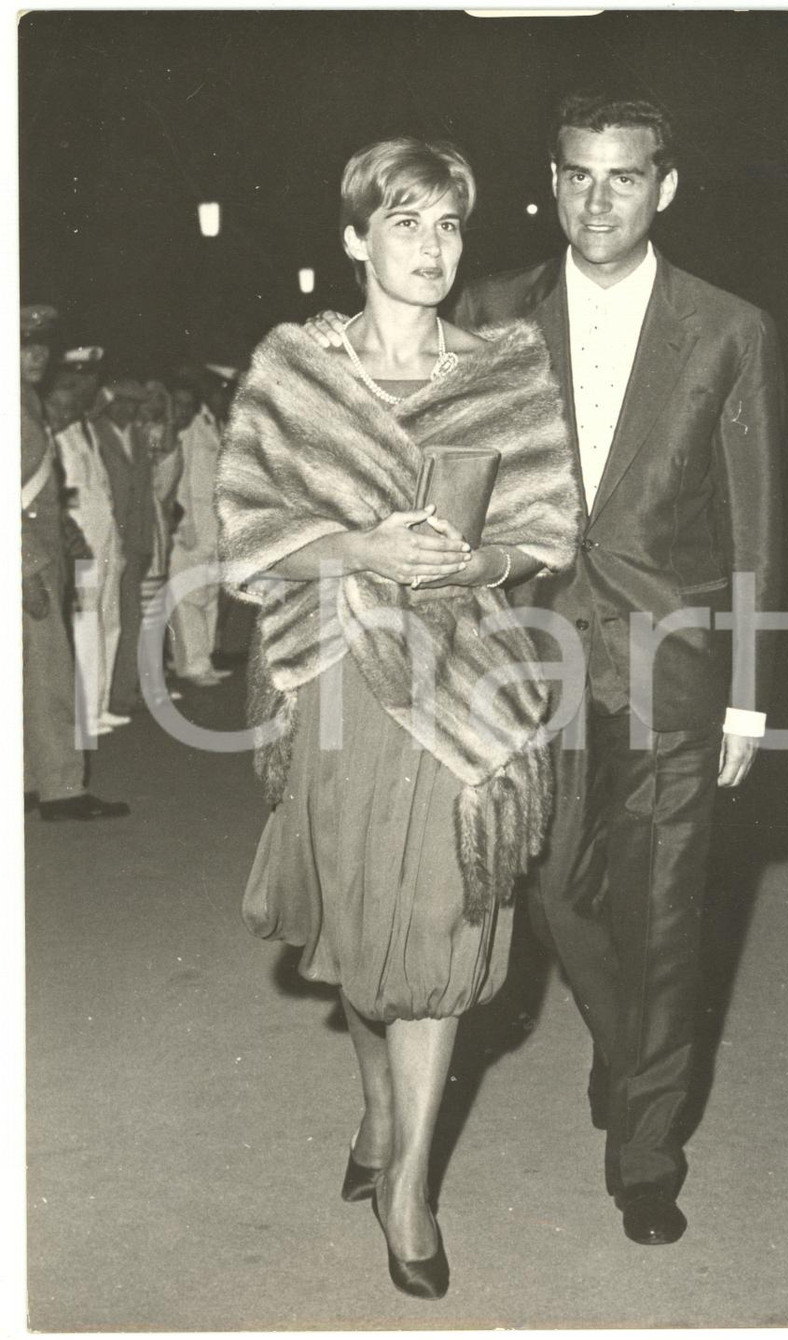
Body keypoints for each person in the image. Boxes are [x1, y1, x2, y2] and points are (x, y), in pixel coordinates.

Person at [306, 90, 783, 1247]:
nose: (597, 199)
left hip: (672, 661)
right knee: (555, 888)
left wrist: (748, 695)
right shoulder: (488, 307)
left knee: (664, 908)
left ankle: (646, 1150)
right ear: (553, 181)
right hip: (525, 658)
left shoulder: (730, 329)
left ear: (664, 186)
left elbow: (756, 523)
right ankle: (628, 1051)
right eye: (577, 174)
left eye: (624, 176)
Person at [216, 137, 580, 1299]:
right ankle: (377, 1109)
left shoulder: (506, 368)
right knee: (367, 938)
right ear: (353, 238)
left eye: (448, 224)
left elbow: (547, 529)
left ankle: (409, 1184)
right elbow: (245, 538)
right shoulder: (294, 371)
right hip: (334, 683)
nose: (431, 247)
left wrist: (481, 561)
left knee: (435, 935)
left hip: (461, 687)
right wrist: (357, 548)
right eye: (405, 221)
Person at [21, 304, 129, 821]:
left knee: (29, 673)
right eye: (25, 346)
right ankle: (61, 788)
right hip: (25, 559)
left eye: (42, 346)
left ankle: (28, 779)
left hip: (39, 552)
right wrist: (24, 567)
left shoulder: (23, 400)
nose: (37, 356)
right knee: (48, 675)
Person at [47, 362, 127, 736]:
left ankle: (100, 704)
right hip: (80, 537)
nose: (86, 396)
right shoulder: (57, 433)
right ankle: (85, 712)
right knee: (86, 622)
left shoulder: (85, 429)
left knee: (109, 618)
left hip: (103, 534)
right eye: (78, 387)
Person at [91, 378, 156, 716]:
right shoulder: (95, 432)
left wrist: (144, 543)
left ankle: (123, 691)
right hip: (102, 540)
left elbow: (144, 495)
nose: (126, 409)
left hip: (131, 543)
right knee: (100, 619)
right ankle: (101, 697)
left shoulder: (138, 437)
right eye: (121, 402)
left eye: (133, 404)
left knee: (129, 618)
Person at [166, 379, 229, 685]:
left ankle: (205, 659)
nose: (227, 398)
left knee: (210, 592)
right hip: (193, 523)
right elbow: (181, 475)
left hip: (214, 523)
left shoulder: (217, 423)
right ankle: (192, 663)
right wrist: (185, 522)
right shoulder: (191, 423)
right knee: (190, 594)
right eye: (223, 390)